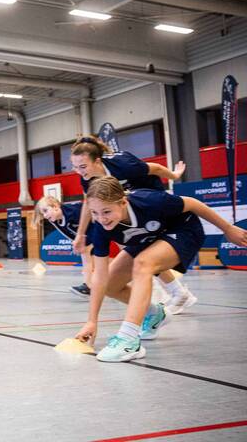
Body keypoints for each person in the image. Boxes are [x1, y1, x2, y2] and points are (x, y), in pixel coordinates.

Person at [74, 176, 247, 362]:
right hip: (149, 239)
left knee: (143, 264)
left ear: (123, 202)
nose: (101, 219)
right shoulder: (100, 227)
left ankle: (129, 340)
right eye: (94, 213)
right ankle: (155, 314)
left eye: (106, 211)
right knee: (110, 285)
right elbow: (100, 276)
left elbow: (193, 204)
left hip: (184, 230)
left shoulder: (150, 201)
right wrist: (92, 321)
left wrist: (228, 229)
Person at [68, 135, 196, 314]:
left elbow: (157, 168)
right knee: (137, 251)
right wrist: (80, 234)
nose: (79, 171)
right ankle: (175, 292)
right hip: (124, 212)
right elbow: (89, 203)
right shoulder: (87, 178)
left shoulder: (123, 165)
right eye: (75, 167)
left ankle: (172, 292)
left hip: (150, 203)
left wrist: (174, 175)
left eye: (82, 166)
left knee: (144, 253)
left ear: (97, 161)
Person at [35, 197, 88, 296]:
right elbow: (67, 233)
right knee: (86, 256)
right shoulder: (54, 220)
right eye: (43, 214)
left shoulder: (74, 211)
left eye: (46, 211)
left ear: (55, 206)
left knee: (89, 256)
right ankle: (89, 285)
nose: (45, 216)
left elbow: (89, 221)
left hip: (99, 226)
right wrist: (75, 242)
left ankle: (90, 285)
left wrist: (82, 238)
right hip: (88, 236)